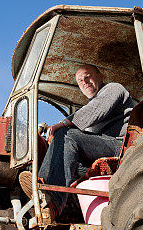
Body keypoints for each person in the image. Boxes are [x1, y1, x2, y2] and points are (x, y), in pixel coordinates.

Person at [19, 64, 135, 213]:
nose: (84, 82)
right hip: (99, 150)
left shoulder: (113, 89)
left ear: (100, 77)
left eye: (88, 76)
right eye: (80, 81)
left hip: (119, 146)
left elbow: (94, 111)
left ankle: (51, 196)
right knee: (64, 153)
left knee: (67, 135)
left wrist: (60, 125)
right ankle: (46, 203)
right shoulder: (89, 108)